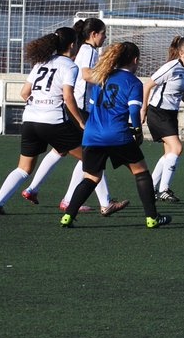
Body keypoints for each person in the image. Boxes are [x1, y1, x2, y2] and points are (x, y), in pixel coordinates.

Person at [60, 41, 169, 229]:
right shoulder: (133, 82)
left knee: (91, 178)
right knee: (141, 172)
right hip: (117, 135)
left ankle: (68, 216)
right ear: (135, 60)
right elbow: (134, 111)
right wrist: (137, 131)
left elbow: (93, 106)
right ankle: (152, 218)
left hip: (93, 135)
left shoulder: (102, 78)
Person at [0, 28, 85, 215]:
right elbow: (68, 97)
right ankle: (72, 203)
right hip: (54, 121)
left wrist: (39, 103)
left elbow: (24, 93)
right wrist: (81, 122)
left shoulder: (41, 63)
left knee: (23, 169)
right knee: (91, 159)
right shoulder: (70, 66)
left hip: (30, 120)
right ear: (73, 45)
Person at [57, 17, 127, 216]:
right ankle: (104, 203)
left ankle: (69, 199)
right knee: (94, 155)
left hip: (81, 107)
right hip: (80, 108)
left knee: (87, 156)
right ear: (94, 34)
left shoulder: (88, 50)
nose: (105, 37)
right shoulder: (88, 51)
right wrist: (110, 77)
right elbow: (87, 74)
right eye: (103, 33)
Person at [141, 35, 184, 203]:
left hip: (171, 114)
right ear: (181, 53)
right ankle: (164, 190)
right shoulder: (171, 67)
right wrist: (143, 110)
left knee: (169, 153)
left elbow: (177, 89)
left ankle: (150, 186)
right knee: (177, 148)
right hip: (157, 112)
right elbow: (147, 85)